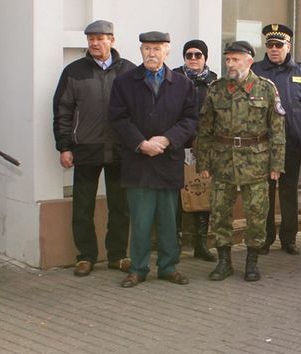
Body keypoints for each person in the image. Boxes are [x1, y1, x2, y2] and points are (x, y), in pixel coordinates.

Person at [109, 31, 198, 287]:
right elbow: (117, 118)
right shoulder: (124, 83)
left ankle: (168, 267)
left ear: (167, 51)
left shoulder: (182, 84)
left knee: (169, 221)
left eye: (157, 49)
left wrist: (168, 139)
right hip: (138, 162)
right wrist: (141, 144)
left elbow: (190, 120)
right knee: (140, 220)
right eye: (147, 48)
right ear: (140, 51)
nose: (151, 53)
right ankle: (138, 268)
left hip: (168, 160)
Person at [195, 40, 286, 283]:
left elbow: (277, 130)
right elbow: (205, 130)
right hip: (223, 160)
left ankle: (252, 261)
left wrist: (277, 165)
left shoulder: (266, 89)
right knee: (220, 213)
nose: (230, 64)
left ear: (249, 61)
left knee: (257, 214)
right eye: (228, 59)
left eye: (235, 59)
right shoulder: (216, 89)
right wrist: (202, 163)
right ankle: (224, 261)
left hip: (256, 161)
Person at [52, 19, 133, 277]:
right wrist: (64, 146)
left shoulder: (129, 71)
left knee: (120, 206)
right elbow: (62, 110)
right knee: (83, 205)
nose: (95, 43)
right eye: (91, 39)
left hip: (121, 149)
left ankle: (117, 255)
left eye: (100, 38)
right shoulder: (74, 71)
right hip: (85, 148)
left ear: (112, 39)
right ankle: (85, 256)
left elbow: (139, 111)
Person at [251, 24, 301, 255]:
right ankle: (265, 237)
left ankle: (289, 238)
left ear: (288, 46)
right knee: (265, 194)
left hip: (292, 144)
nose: (273, 49)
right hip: (263, 145)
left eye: (278, 45)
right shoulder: (255, 70)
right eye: (270, 45)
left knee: (289, 192)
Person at [175, 39, 218, 260]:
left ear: (205, 58)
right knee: (176, 194)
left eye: (198, 55)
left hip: (204, 147)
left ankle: (201, 244)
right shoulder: (172, 77)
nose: (193, 59)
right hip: (177, 146)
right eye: (189, 55)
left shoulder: (215, 82)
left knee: (202, 192)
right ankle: (175, 243)